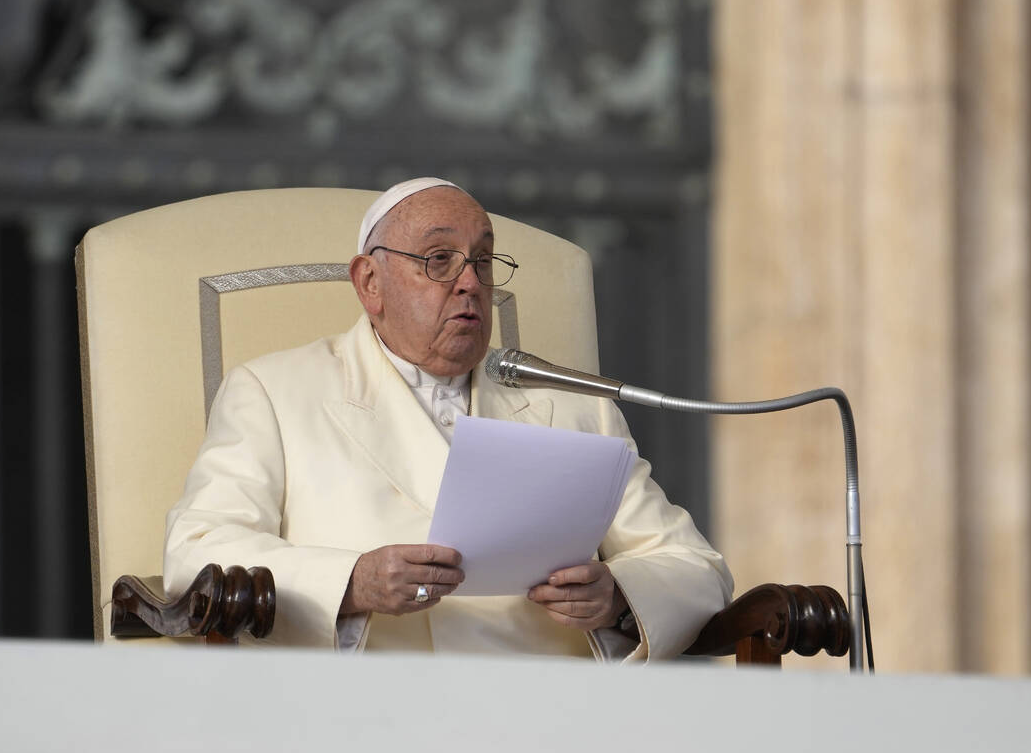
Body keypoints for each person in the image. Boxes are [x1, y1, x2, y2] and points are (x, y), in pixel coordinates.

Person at [164, 177, 733, 661]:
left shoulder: (575, 405)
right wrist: (351, 582)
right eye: (439, 260)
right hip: (362, 721)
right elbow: (196, 552)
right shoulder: (274, 391)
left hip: (551, 720)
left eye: (482, 262)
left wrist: (617, 598)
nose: (468, 283)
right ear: (369, 283)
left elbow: (697, 567)